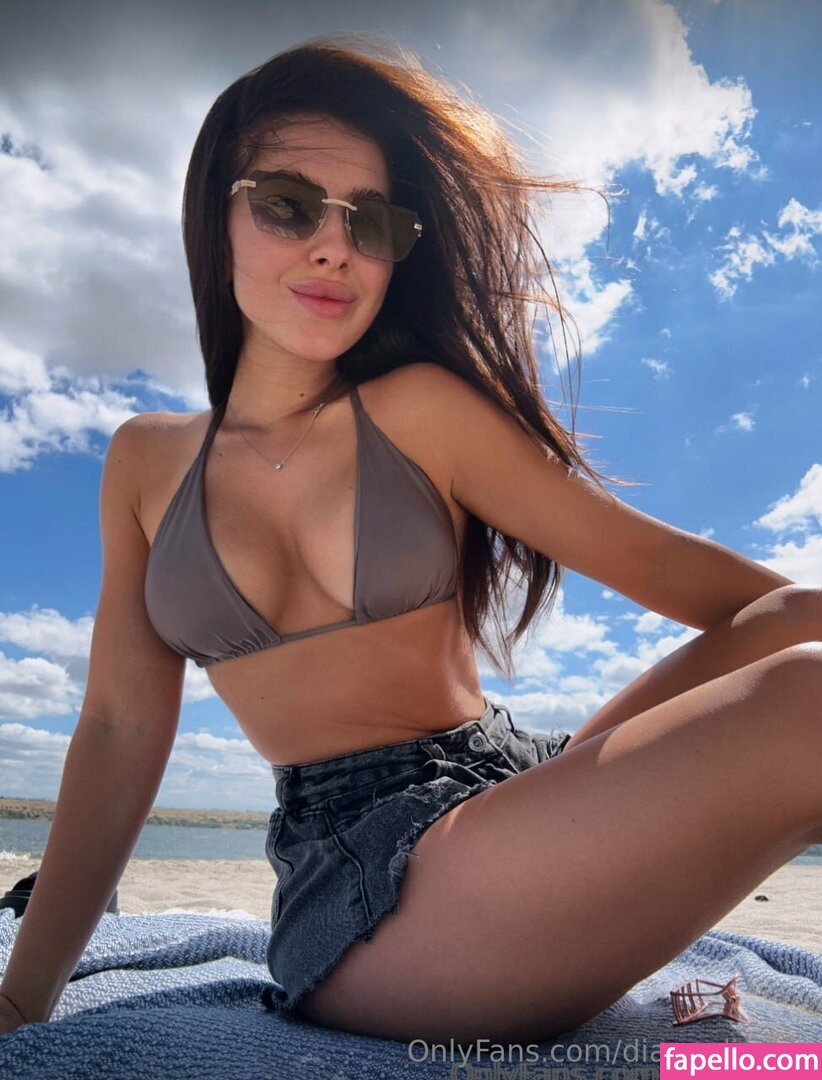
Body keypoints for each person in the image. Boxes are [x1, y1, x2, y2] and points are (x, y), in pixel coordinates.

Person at [1, 30, 819, 1047]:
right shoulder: (145, 461)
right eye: (287, 204)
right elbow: (120, 728)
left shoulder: (422, 412)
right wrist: (22, 1000)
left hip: (514, 789)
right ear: (214, 219)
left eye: (373, 222)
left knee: (799, 622)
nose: (334, 246)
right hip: (366, 879)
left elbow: (687, 579)